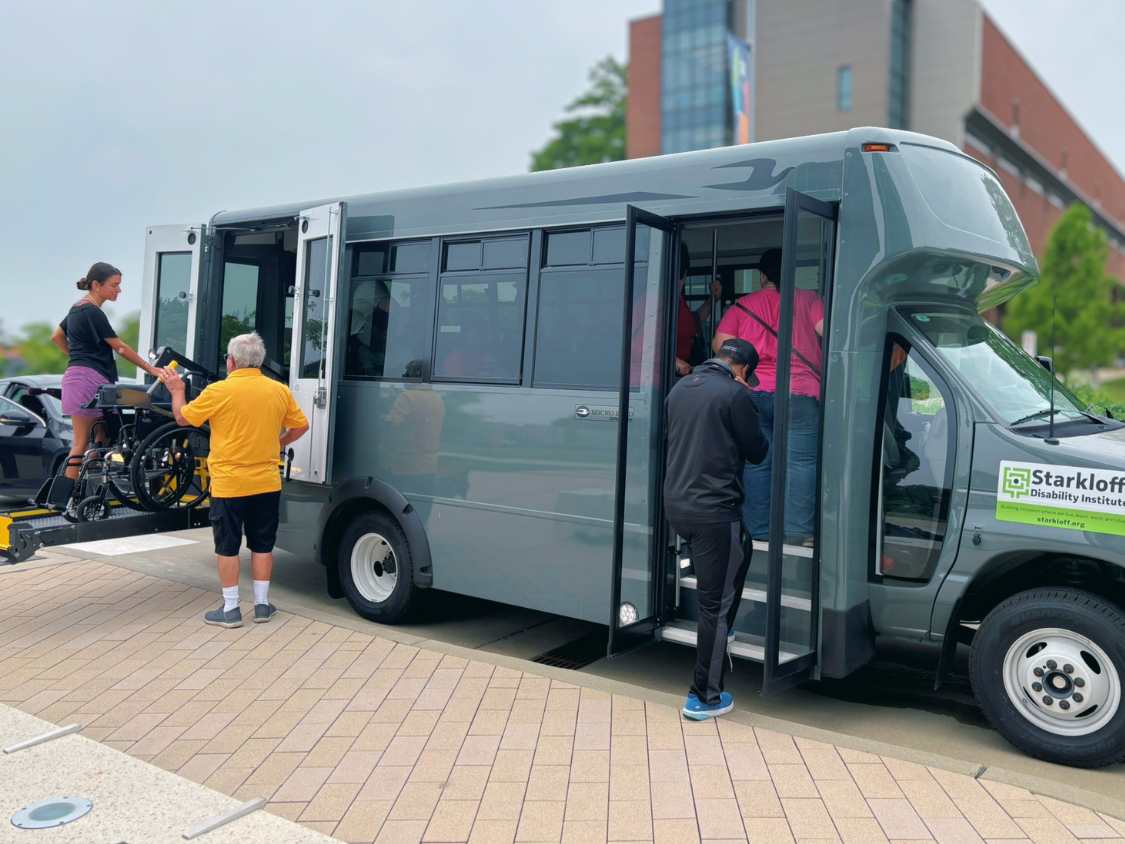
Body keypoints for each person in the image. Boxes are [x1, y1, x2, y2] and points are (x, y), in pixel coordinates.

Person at [160, 332, 309, 628]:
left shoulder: (219, 391)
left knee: (227, 546)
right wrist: (277, 443)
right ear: (260, 361)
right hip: (267, 482)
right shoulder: (278, 390)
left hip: (229, 484)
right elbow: (300, 427)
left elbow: (182, 419)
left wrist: (177, 390)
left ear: (231, 361)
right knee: (263, 544)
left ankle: (230, 609)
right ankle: (263, 606)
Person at [664, 338, 768, 720]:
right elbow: (757, 451)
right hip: (714, 512)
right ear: (742, 370)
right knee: (714, 606)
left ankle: (725, 630)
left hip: (678, 507)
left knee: (744, 548)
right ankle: (703, 698)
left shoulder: (679, 388)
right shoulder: (735, 394)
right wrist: (747, 404)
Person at [712, 248, 824, 545]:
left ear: (763, 276)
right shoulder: (809, 298)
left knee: (758, 462)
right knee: (801, 463)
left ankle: (759, 532)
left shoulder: (743, 305)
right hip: (801, 394)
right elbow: (828, 330)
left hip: (756, 393)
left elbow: (721, 346)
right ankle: (800, 533)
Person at [51, 262, 162, 482]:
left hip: (84, 377)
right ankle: (66, 496)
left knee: (102, 438)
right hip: (86, 379)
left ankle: (89, 488)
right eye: (114, 285)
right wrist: (150, 368)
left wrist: (77, 358)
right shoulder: (91, 311)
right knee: (82, 442)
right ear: (96, 284)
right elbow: (119, 347)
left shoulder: (78, 308)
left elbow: (57, 336)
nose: (118, 290)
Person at [673, 242, 723, 377]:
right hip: (669, 374)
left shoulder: (678, 299)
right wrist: (672, 361)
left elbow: (693, 323)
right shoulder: (658, 300)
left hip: (684, 370)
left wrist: (713, 300)